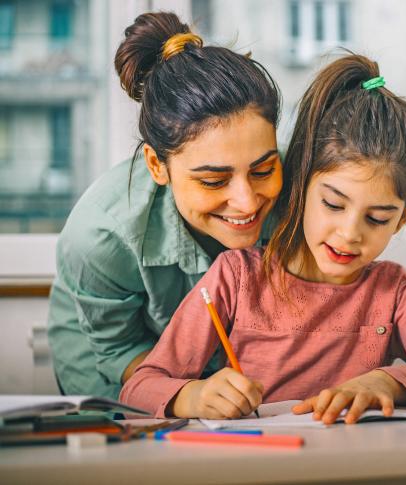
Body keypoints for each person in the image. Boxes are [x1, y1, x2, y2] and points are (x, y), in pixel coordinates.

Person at [120, 54, 406, 424]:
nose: (350, 234)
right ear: (301, 186)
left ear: (404, 218)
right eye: (333, 204)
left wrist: (385, 382)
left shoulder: (393, 292)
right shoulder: (237, 277)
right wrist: (193, 395)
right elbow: (139, 386)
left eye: (377, 218)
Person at [47, 11, 283, 400]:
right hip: (115, 363)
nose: (247, 201)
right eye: (213, 180)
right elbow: (118, 349)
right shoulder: (101, 235)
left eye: (263, 169)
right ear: (158, 165)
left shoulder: (304, 190)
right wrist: (190, 394)